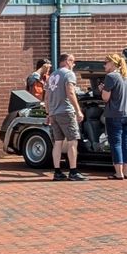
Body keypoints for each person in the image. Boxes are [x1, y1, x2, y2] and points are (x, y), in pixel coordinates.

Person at [44, 52, 87, 181]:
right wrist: (78, 110)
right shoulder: (69, 74)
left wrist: (49, 113)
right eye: (72, 61)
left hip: (54, 113)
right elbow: (70, 92)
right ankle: (73, 171)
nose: (73, 64)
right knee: (73, 141)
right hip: (66, 112)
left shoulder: (52, 75)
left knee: (57, 143)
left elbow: (46, 97)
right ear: (67, 61)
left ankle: (57, 171)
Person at [101, 52, 127, 179]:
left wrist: (102, 89)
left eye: (106, 63)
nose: (104, 65)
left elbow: (106, 98)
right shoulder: (126, 77)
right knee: (126, 143)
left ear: (112, 63)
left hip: (115, 114)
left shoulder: (111, 77)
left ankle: (119, 172)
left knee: (115, 143)